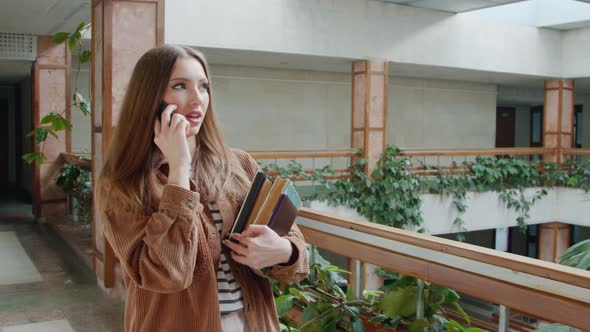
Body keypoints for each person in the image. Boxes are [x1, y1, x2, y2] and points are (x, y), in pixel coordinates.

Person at [96, 44, 309, 332]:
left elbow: (293, 241)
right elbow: (164, 274)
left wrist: (284, 250)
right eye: (180, 86)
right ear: (150, 98)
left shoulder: (238, 163)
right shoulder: (123, 181)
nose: (197, 99)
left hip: (252, 323)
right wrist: (179, 170)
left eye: (204, 86)